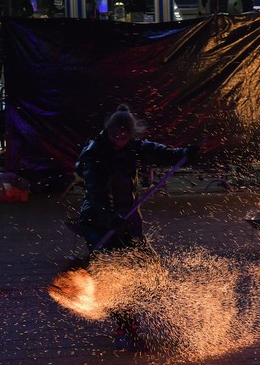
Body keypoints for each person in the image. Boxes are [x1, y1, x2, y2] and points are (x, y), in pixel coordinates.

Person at [75, 104, 198, 350]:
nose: (120, 139)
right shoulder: (94, 154)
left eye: (125, 134)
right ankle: (125, 328)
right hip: (100, 223)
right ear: (107, 130)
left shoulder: (133, 148)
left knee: (151, 270)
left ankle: (157, 318)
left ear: (131, 134)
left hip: (127, 219)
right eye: (115, 134)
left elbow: (156, 152)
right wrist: (109, 218)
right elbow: (97, 194)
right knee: (115, 277)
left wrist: (183, 153)